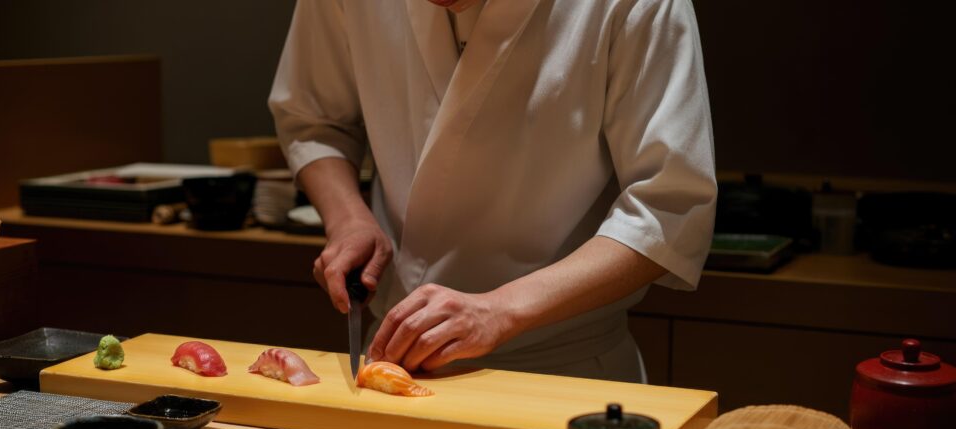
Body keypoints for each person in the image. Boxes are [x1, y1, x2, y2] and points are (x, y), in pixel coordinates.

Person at [269, 0, 716, 382]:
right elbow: (314, 120)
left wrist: (501, 310)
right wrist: (348, 217)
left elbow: (667, 206)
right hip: (393, 360)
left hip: (566, 370)